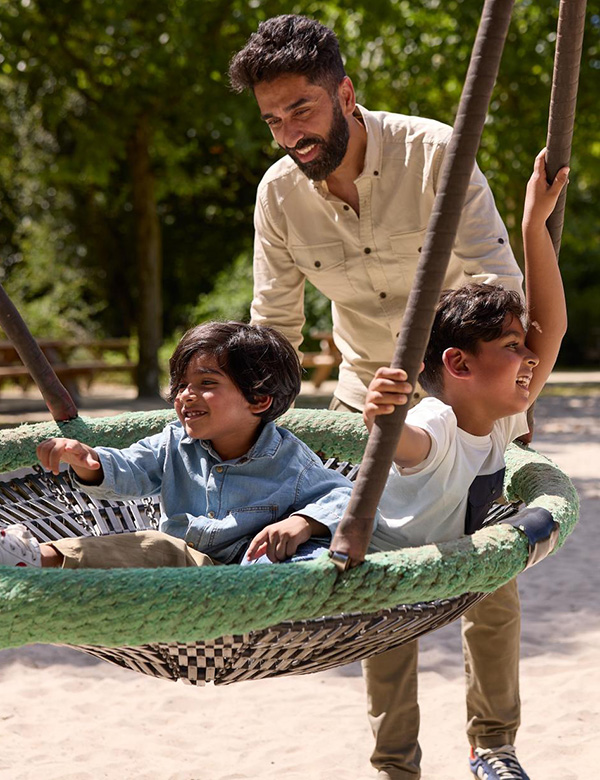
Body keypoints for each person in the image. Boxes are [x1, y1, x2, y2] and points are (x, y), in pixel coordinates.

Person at [228, 14, 539, 780]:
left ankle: (492, 747)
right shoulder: (279, 196)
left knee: (486, 574)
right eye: (273, 120)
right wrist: (250, 417)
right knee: (375, 581)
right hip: (364, 396)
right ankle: (395, 765)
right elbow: (273, 328)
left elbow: (501, 289)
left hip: (463, 395)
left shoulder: (436, 152)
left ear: (346, 93)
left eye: (302, 109)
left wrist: (444, 385)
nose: (290, 134)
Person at [362, 150, 567, 780]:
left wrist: (533, 225)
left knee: (496, 599)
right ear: (458, 365)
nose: (529, 357)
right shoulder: (435, 421)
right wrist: (381, 415)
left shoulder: (503, 407)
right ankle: (396, 767)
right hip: (392, 563)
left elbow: (550, 326)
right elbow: (403, 444)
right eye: (511, 349)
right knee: (390, 649)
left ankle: (493, 749)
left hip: (456, 551)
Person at [0, 321, 353, 570]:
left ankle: (36, 558)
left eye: (206, 382)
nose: (185, 395)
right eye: (182, 384)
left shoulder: (291, 462)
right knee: (154, 547)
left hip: (248, 581)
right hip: (179, 576)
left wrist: (305, 522)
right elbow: (131, 468)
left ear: (258, 399)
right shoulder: (174, 443)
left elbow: (349, 498)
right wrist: (89, 460)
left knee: (315, 555)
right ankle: (35, 556)